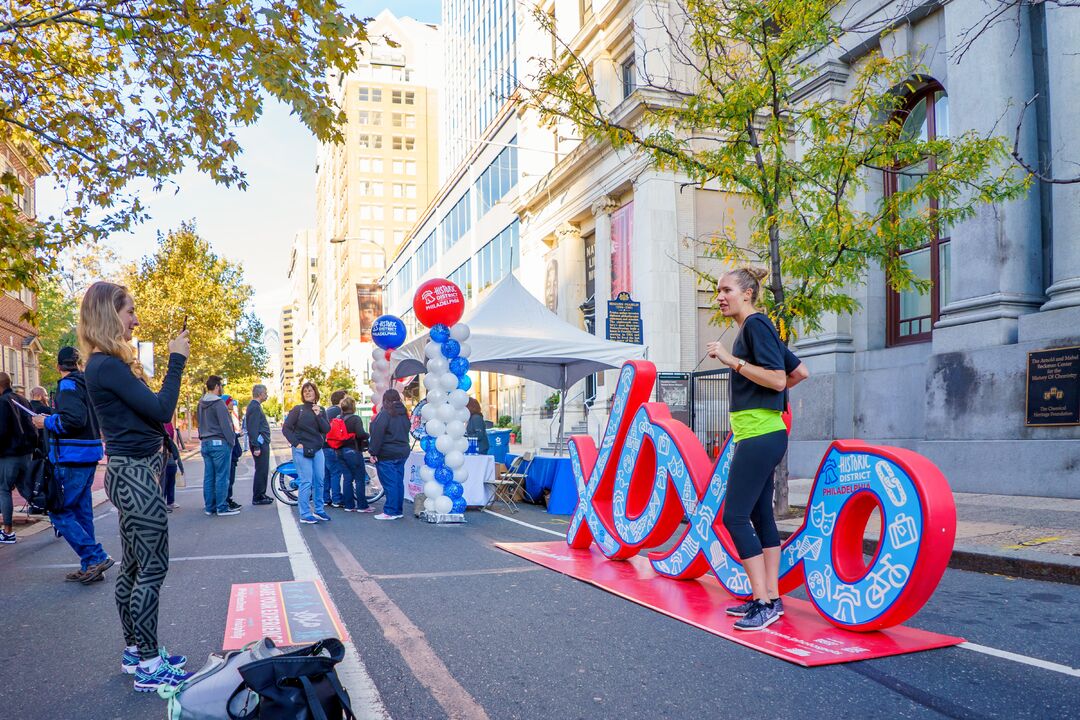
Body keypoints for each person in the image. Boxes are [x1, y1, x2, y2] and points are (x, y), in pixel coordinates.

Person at [80, 281, 190, 691]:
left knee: (135, 566)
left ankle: (136, 652)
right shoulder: (106, 365)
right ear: (110, 314)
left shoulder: (106, 364)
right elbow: (162, 409)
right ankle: (147, 662)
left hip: (132, 471)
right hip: (134, 474)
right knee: (153, 567)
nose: (136, 319)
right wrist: (177, 360)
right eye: (129, 312)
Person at [706, 267, 808, 632]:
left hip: (759, 435)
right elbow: (798, 373)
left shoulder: (755, 326)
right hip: (762, 433)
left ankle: (763, 601)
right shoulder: (757, 328)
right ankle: (772, 598)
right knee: (760, 514)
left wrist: (732, 361)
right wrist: (773, 395)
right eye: (717, 290)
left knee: (734, 516)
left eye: (725, 289)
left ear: (747, 293)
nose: (719, 296)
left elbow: (779, 378)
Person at [30, 347, 112, 581]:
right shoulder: (87, 384)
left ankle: (94, 557)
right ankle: (90, 565)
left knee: (59, 511)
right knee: (82, 511)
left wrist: (46, 422)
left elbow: (73, 420)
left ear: (58, 366)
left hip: (72, 455)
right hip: (88, 453)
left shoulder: (67, 386)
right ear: (78, 364)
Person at [282, 381, 331, 524]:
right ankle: (304, 513)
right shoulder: (298, 409)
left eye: (310, 390)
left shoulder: (320, 410)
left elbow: (326, 429)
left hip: (317, 450)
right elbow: (286, 428)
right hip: (302, 450)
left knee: (320, 480)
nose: (308, 393)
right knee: (306, 481)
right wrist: (296, 444)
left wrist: (319, 415)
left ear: (316, 392)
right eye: (305, 391)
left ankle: (319, 510)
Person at [0, 372, 36, 545]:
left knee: (4, 489)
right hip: (26, 452)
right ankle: (56, 517)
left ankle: (7, 531)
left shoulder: (2, 402)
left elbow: (2, 431)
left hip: (9, 453)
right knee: (26, 487)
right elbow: (32, 424)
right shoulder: (22, 399)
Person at [197, 376, 239, 517]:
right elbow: (226, 425)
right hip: (219, 443)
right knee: (222, 476)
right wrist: (231, 441)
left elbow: (199, 424)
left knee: (209, 477)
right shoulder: (219, 403)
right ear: (216, 386)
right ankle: (222, 507)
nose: (222, 388)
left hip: (205, 442)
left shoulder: (200, 403)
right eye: (221, 386)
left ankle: (210, 507)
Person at [367, 389, 411, 520]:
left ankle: (390, 511)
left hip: (387, 453)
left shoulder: (385, 414)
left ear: (385, 400)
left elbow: (377, 434)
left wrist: (373, 452)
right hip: (402, 451)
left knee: (390, 483)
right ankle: (397, 510)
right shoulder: (404, 414)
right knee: (398, 482)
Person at [335, 395, 372, 513]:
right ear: (353, 407)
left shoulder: (338, 418)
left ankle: (349, 505)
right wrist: (368, 435)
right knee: (359, 479)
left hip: (339, 451)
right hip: (353, 451)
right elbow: (360, 434)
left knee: (347, 478)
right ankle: (362, 506)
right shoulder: (355, 419)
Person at [245, 384, 273, 505]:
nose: (267, 395)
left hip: (261, 443)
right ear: (260, 394)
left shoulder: (255, 406)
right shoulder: (254, 407)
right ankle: (258, 496)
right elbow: (253, 428)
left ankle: (261, 493)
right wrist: (256, 446)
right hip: (259, 444)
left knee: (263, 469)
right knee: (261, 469)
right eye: (265, 393)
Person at [323, 389, 347, 507]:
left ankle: (325, 498)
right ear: (341, 400)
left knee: (326, 473)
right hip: (333, 446)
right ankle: (337, 499)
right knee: (335, 472)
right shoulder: (339, 412)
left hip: (323, 445)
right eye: (345, 398)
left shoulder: (327, 410)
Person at [222, 394, 243, 509]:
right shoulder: (225, 416)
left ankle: (227, 499)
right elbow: (227, 434)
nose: (232, 403)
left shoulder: (227, 415)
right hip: (229, 451)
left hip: (232, 451)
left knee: (230, 478)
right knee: (228, 478)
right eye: (230, 401)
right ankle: (226, 500)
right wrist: (236, 435)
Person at [159, 422, 179, 512]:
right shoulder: (165, 422)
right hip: (162, 450)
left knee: (164, 481)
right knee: (163, 481)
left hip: (163, 451)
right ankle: (163, 502)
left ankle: (163, 502)